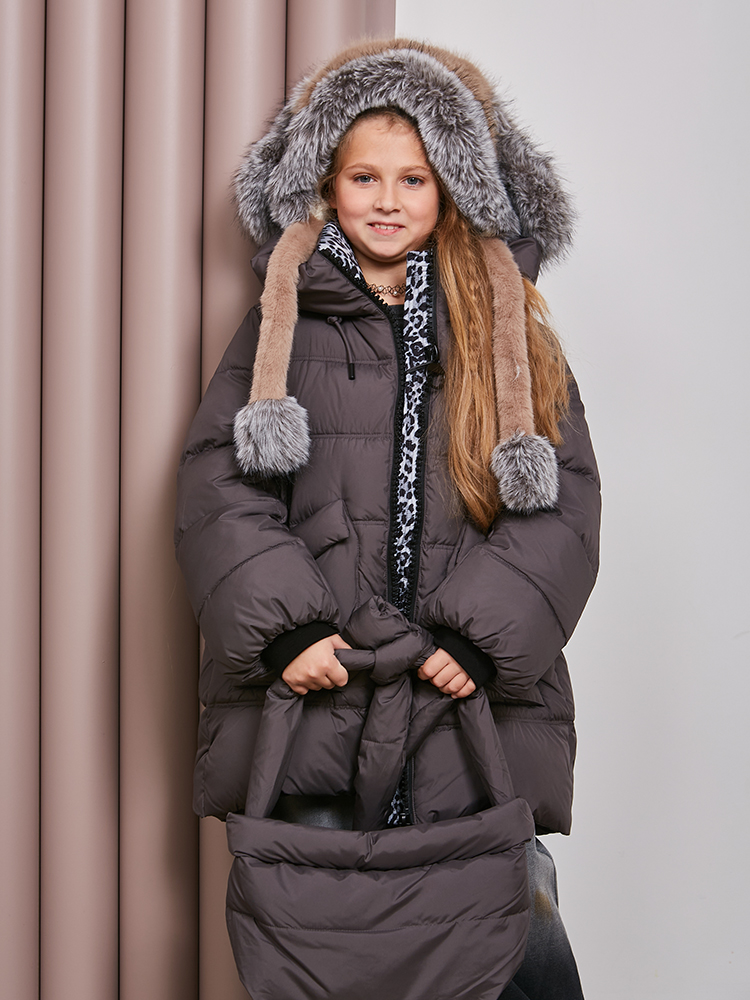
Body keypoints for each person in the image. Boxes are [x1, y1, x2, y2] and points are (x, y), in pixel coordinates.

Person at [175, 38, 600, 999]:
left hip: (467, 704)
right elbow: (218, 487)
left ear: (454, 188)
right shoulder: (282, 325)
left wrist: (481, 638)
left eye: (415, 178)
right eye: (364, 176)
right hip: (328, 693)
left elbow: (564, 501)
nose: (388, 199)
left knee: (514, 939)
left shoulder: (509, 331)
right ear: (325, 184)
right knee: (333, 950)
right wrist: (286, 631)